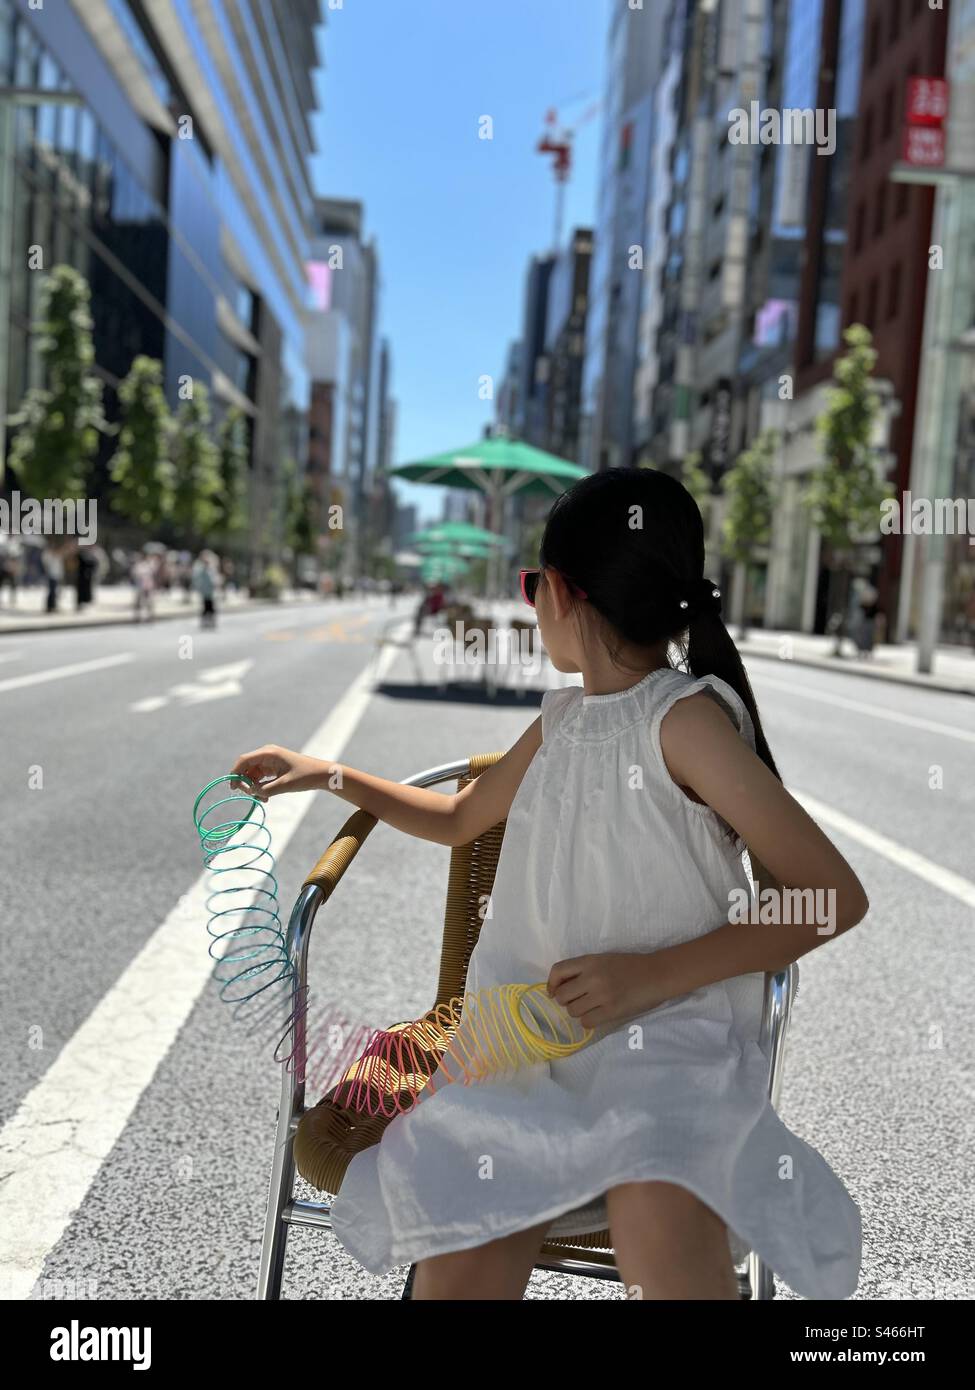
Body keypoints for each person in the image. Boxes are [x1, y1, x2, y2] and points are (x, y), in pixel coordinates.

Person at [231, 467, 866, 1301]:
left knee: (656, 1201)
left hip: (671, 1049)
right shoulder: (562, 720)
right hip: (524, 1050)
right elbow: (460, 819)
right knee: (465, 1234)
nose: (528, 601)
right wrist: (327, 773)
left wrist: (650, 976)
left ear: (561, 594)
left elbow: (831, 895)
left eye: (531, 584)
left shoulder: (684, 721)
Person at [191, 550, 219, 630]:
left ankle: (211, 620)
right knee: (205, 605)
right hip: (204, 590)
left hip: (211, 591)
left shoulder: (211, 567)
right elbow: (196, 577)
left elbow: (214, 578)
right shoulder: (199, 567)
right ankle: (205, 620)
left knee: (211, 605)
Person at [131, 552, 156, 622]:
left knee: (148, 602)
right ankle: (138, 616)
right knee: (139, 602)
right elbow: (135, 574)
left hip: (147, 586)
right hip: (142, 586)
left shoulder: (149, 564)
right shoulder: (140, 565)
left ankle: (149, 615)